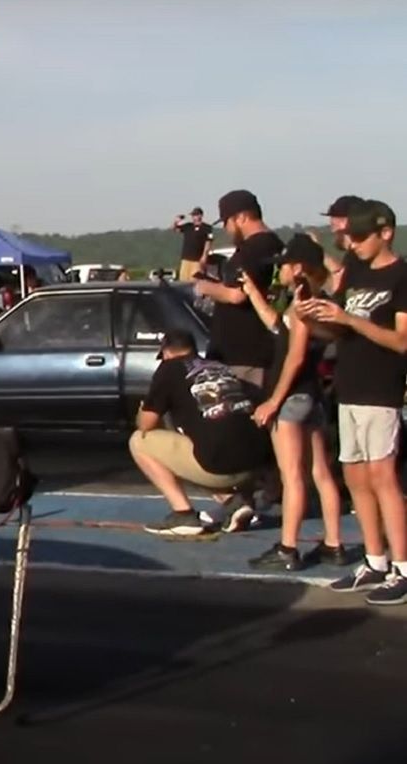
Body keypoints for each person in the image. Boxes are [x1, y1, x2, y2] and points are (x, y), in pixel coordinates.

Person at [298, 199, 407, 604]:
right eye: (351, 237)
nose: (354, 244)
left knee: (384, 479)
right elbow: (338, 333)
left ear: (385, 233)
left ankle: (403, 566)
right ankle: (375, 559)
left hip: (381, 389)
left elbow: (400, 341)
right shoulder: (356, 271)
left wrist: (349, 321)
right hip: (350, 387)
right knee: (356, 478)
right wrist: (312, 319)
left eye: (360, 237)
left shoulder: (401, 275)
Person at [238, 234, 350, 570]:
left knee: (293, 476)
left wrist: (273, 400)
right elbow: (279, 327)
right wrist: (254, 295)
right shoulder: (318, 299)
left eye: (284, 266)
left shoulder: (303, 301)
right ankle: (334, 544)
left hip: (292, 397)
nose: (280, 273)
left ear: (298, 267)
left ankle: (288, 548)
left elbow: (295, 356)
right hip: (312, 395)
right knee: (321, 472)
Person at [129, 329, 273, 536]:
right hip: (254, 465)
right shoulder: (220, 367)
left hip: (219, 467)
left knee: (139, 442)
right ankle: (234, 502)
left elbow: (146, 424)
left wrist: (143, 408)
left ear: (167, 353)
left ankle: (183, 514)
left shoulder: (169, 369)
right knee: (201, 440)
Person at [193, 190, 282, 390]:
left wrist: (206, 286)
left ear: (241, 217)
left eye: (227, 222)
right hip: (249, 352)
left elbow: (237, 294)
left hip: (244, 355)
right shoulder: (273, 244)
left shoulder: (254, 248)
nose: (226, 229)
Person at [322, 194, 366, 294]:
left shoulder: (356, 257)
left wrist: (318, 251)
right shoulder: (356, 256)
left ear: (345, 221)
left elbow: (340, 283)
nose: (331, 223)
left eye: (334, 217)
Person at [173, 207, 214, 282]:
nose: (193, 217)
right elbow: (175, 229)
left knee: (195, 281)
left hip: (197, 259)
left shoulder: (207, 228)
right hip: (186, 258)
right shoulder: (188, 226)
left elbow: (208, 242)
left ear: (200, 216)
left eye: (195, 215)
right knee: (183, 280)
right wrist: (176, 222)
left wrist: (204, 256)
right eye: (193, 215)